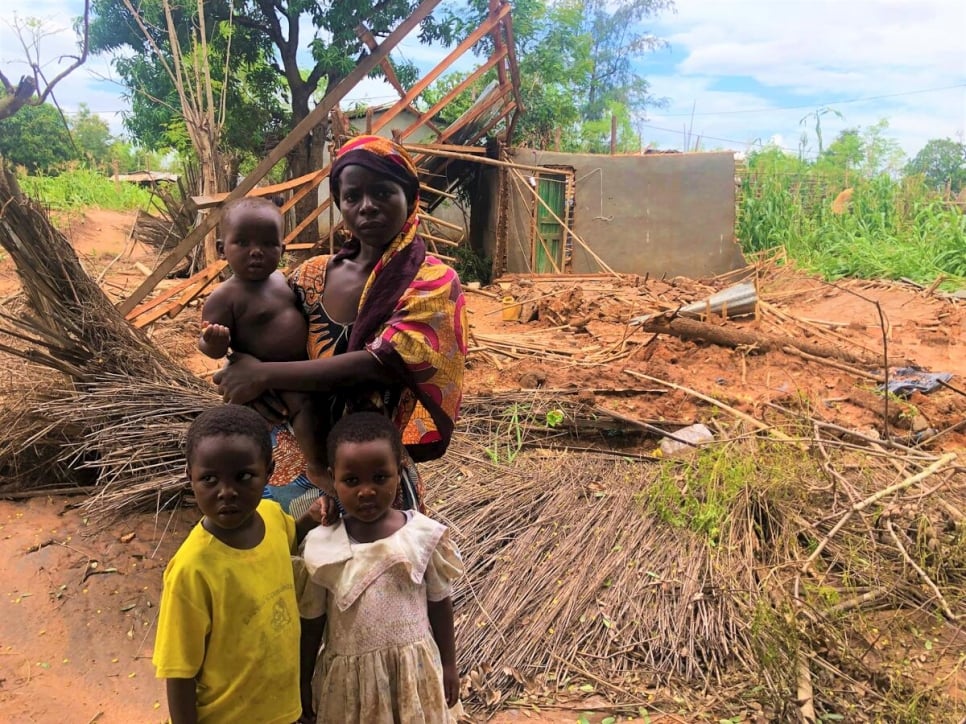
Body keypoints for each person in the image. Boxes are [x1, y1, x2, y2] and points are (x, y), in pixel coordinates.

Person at [212, 135, 467, 519]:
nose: (367, 207)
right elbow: (260, 332)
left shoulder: (432, 281)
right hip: (292, 457)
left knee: (374, 571)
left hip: (371, 474)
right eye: (352, 197)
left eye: (382, 192)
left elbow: (378, 363)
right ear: (340, 203)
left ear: (411, 196)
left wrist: (263, 374)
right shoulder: (312, 274)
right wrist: (248, 377)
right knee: (291, 568)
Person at [296, 411, 463, 723]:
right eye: (351, 480)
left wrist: (449, 665)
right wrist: (303, 680)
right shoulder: (324, 547)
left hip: (413, 675)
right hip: (350, 686)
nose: (366, 491)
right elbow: (312, 622)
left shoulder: (422, 536)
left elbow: (440, 603)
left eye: (380, 477)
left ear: (398, 472)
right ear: (333, 478)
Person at [152, 405, 304, 724]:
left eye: (243, 476)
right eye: (209, 479)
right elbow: (179, 674)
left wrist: (318, 515)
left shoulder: (274, 518)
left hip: (281, 711)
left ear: (270, 471)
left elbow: (292, 536)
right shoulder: (192, 570)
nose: (227, 492)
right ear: (189, 477)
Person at [198, 197, 328, 487]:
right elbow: (210, 348)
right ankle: (317, 466)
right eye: (242, 243)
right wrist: (215, 341)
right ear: (222, 249)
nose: (256, 252)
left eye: (268, 244)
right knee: (303, 405)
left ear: (282, 249)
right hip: (271, 379)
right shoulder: (224, 296)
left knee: (317, 406)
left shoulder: (283, 280)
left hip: (299, 368)